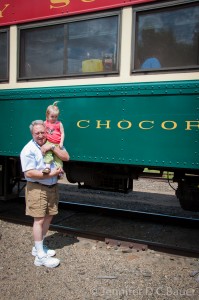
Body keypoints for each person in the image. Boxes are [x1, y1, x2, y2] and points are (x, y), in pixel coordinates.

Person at [20, 120, 70, 268]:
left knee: (48, 217)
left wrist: (53, 148)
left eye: (43, 132)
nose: (41, 135)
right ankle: (40, 257)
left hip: (52, 187)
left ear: (46, 132)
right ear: (32, 134)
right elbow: (29, 173)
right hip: (37, 188)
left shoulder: (51, 143)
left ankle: (38, 248)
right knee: (39, 220)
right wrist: (51, 174)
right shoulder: (28, 150)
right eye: (37, 133)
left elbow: (66, 157)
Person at [42, 101, 65, 177]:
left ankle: (59, 171)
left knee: (58, 157)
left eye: (56, 117)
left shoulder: (59, 123)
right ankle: (47, 167)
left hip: (57, 143)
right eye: (52, 116)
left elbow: (62, 133)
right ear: (47, 116)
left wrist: (61, 142)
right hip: (48, 142)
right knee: (48, 154)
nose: (54, 118)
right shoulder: (45, 123)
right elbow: (43, 131)